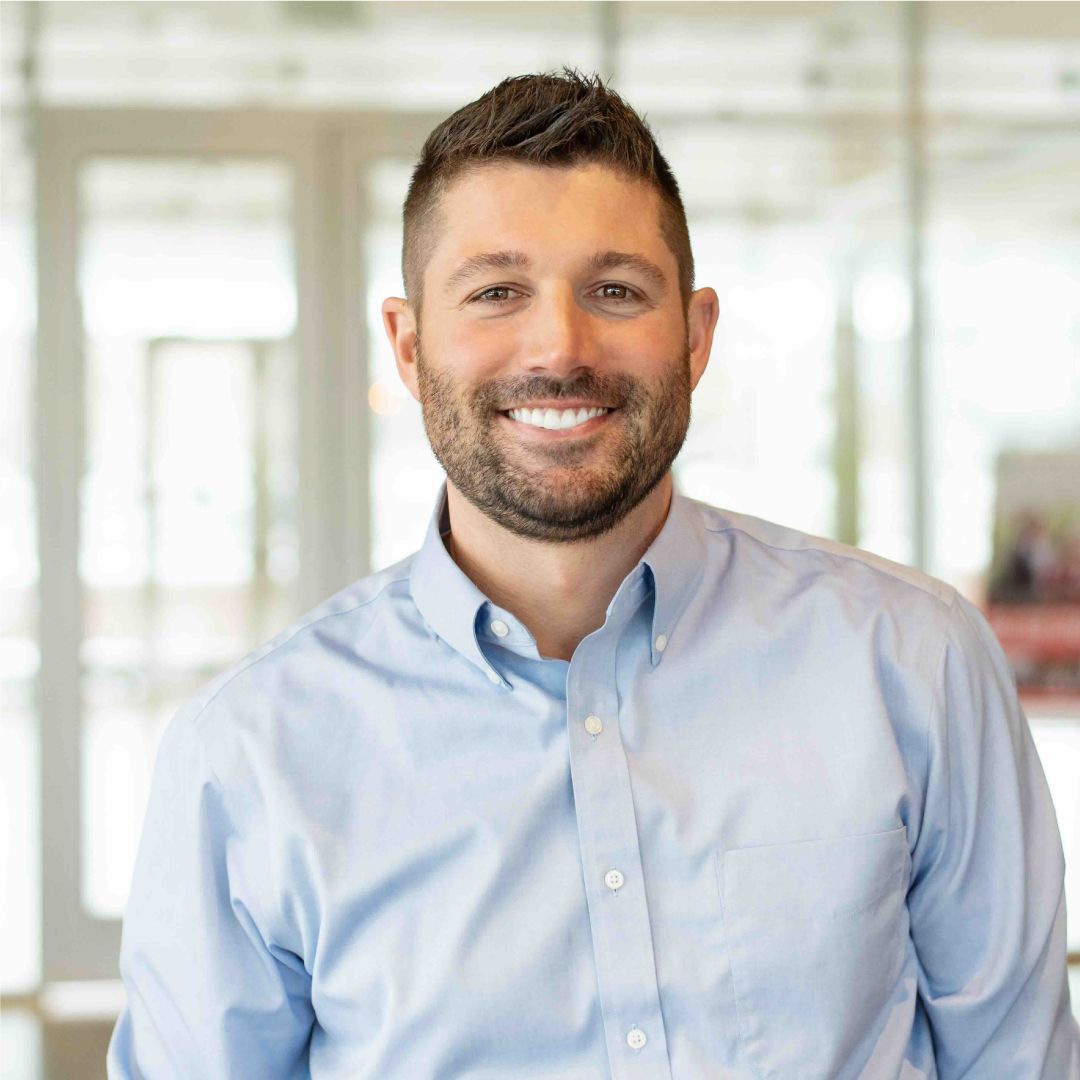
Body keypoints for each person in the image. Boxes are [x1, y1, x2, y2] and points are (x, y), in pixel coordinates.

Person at [108, 70, 1079, 1078]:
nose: (561, 347)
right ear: (407, 344)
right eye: (496, 292)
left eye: (615, 290)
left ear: (695, 337)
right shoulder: (253, 754)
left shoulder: (912, 666)